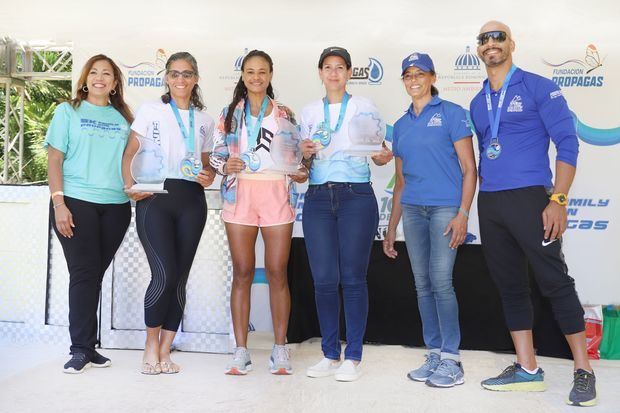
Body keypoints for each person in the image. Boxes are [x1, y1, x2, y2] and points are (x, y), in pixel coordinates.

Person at [469, 21, 597, 406]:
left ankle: (583, 370)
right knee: (510, 286)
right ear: (478, 49)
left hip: (532, 199)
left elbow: (567, 143)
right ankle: (527, 369)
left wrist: (558, 199)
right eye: (484, 39)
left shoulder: (540, 87)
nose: (491, 43)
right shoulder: (477, 102)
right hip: (490, 202)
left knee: (554, 282)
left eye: (498, 37)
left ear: (512, 44)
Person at [210, 50, 308, 376]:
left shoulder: (285, 114)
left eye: (262, 72)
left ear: (270, 74)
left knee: (278, 271)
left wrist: (299, 170)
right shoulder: (228, 114)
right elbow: (215, 158)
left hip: (276, 192)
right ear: (243, 75)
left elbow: (300, 162)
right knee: (242, 272)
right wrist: (225, 164)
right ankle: (241, 351)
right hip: (240, 195)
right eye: (250, 72)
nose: (256, 77)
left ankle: (280, 349)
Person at [383, 52, 477, 388]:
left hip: (445, 210)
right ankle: (435, 352)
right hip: (412, 210)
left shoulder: (452, 114)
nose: (414, 80)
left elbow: (469, 169)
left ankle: (452, 358)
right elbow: (400, 182)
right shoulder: (402, 125)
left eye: (420, 73)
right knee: (422, 285)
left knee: (440, 281)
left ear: (433, 77)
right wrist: (391, 227)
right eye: (407, 75)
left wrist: (463, 214)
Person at [300, 47, 393, 382]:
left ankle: (353, 356)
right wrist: (303, 153)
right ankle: (329, 354)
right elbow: (300, 166)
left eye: (340, 67)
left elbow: (381, 154)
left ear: (350, 72)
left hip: (356, 195)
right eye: (328, 67)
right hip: (317, 198)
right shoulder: (309, 111)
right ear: (320, 72)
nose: (334, 73)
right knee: (324, 279)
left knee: (353, 278)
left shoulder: (364, 106)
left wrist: (382, 156)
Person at [122, 52, 216, 375]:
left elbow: (207, 166)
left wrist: (208, 175)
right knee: (163, 274)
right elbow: (130, 152)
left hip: (192, 199)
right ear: (166, 77)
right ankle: (150, 344)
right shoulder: (151, 111)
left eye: (187, 74)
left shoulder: (205, 119)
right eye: (175, 74)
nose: (181, 80)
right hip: (155, 197)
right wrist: (130, 185)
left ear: (196, 79)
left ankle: (166, 348)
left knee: (179, 279)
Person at [46, 54, 133, 374]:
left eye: (107, 74)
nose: (100, 77)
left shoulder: (124, 117)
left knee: (93, 275)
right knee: (84, 274)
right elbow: (54, 160)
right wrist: (59, 203)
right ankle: (80, 348)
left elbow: (132, 163)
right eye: (94, 72)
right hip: (75, 202)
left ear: (114, 83)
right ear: (84, 79)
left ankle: (88, 345)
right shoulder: (67, 111)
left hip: (116, 208)